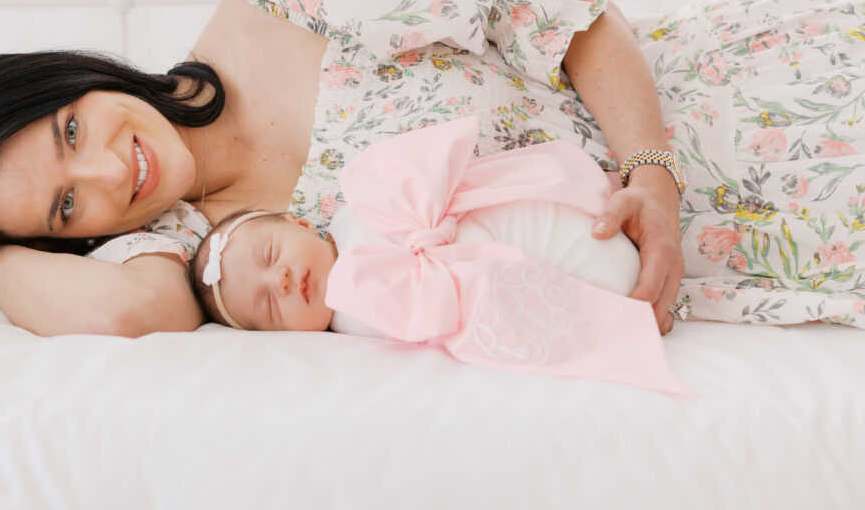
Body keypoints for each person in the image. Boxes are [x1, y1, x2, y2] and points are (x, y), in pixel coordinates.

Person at [0, 0, 865, 336]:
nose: (115, 174)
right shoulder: (190, 247)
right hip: (765, 243)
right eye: (68, 208)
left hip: (735, 99)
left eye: (71, 132)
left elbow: (567, 16)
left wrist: (650, 169)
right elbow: (118, 317)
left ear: (71, 77)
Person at [185, 118, 691, 395]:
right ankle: (610, 302)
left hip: (512, 213)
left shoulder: (358, 203)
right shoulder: (353, 319)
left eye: (272, 254)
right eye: (269, 308)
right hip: (507, 274)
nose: (282, 281)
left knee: (527, 216)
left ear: (299, 223)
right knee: (545, 287)